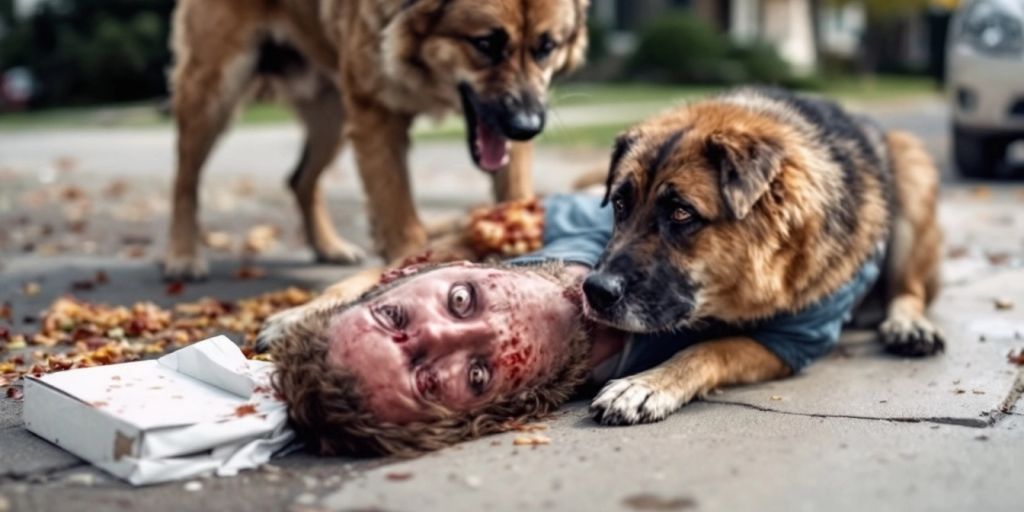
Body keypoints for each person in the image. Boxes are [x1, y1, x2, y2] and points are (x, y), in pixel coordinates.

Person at [267, 192, 880, 456]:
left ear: (438, 267)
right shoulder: (636, 363)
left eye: (399, 314)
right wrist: (700, 365)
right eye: (464, 373)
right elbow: (804, 331)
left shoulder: (555, 229)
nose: (465, 330)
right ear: (507, 416)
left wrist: (340, 293)